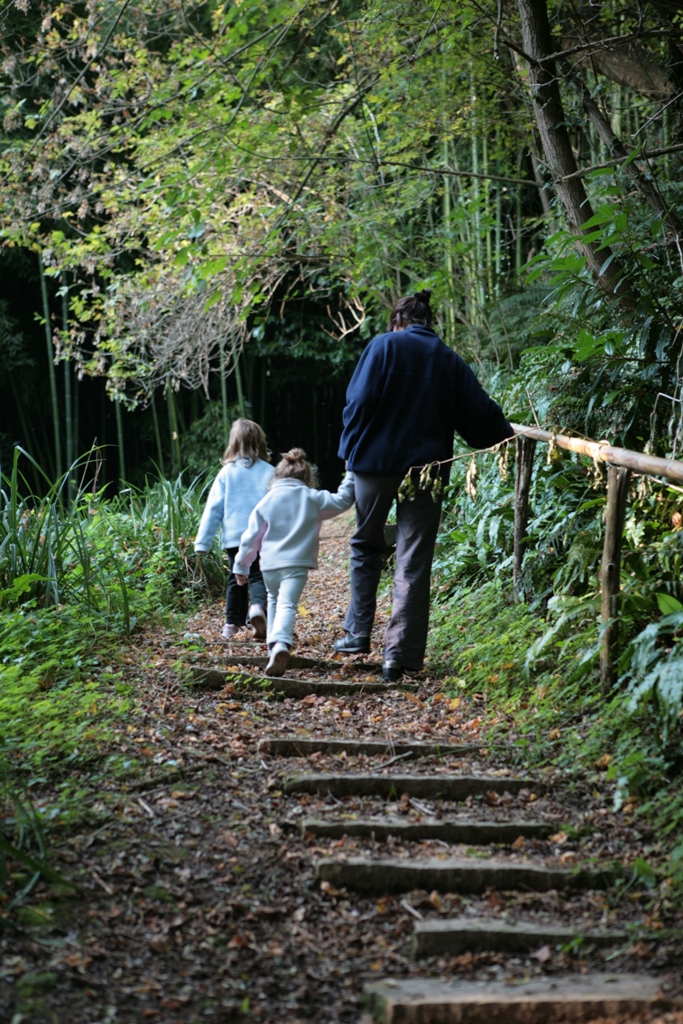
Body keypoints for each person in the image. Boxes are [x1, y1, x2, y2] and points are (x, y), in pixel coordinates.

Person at [335, 288, 513, 681]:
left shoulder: (382, 347)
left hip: (375, 466)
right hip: (427, 473)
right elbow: (480, 414)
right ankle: (397, 656)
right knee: (413, 560)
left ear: (397, 321)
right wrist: (506, 433)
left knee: (366, 544)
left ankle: (356, 634)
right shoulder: (448, 360)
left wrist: (350, 447)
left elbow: (358, 401)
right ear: (428, 322)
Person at [234, 449, 355, 677]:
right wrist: (350, 475)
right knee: (287, 604)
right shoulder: (312, 497)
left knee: (273, 599)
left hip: (269, 565)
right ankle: (280, 644)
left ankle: (273, 648)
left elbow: (250, 538)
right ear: (307, 479)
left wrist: (241, 566)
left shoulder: (266, 500)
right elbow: (343, 500)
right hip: (296, 565)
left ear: (276, 477)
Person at [194, 418, 275, 640]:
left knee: (235, 578)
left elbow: (213, 509)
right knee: (258, 576)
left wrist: (203, 542)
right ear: (260, 442)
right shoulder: (270, 472)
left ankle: (231, 624)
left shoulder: (226, 473)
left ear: (233, 443)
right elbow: (279, 506)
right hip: (262, 536)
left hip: (234, 539)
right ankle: (257, 607)